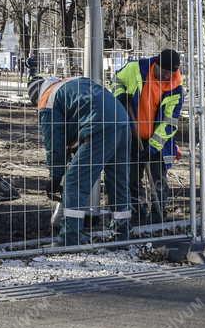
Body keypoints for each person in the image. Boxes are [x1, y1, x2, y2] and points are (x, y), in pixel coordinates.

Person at [29, 75, 131, 245]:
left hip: (99, 125)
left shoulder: (47, 100)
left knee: (73, 182)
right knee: (119, 182)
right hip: (121, 120)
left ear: (36, 97)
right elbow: (78, 117)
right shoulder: (70, 83)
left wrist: (56, 177)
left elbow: (54, 145)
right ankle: (121, 233)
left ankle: (70, 236)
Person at [112, 49, 184, 223]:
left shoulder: (176, 88)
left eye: (171, 72)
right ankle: (137, 212)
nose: (167, 75)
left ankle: (158, 214)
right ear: (156, 64)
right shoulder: (136, 68)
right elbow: (116, 80)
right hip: (131, 135)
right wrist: (120, 95)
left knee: (158, 178)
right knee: (132, 177)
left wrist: (151, 148)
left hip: (158, 142)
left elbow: (169, 123)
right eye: (164, 71)